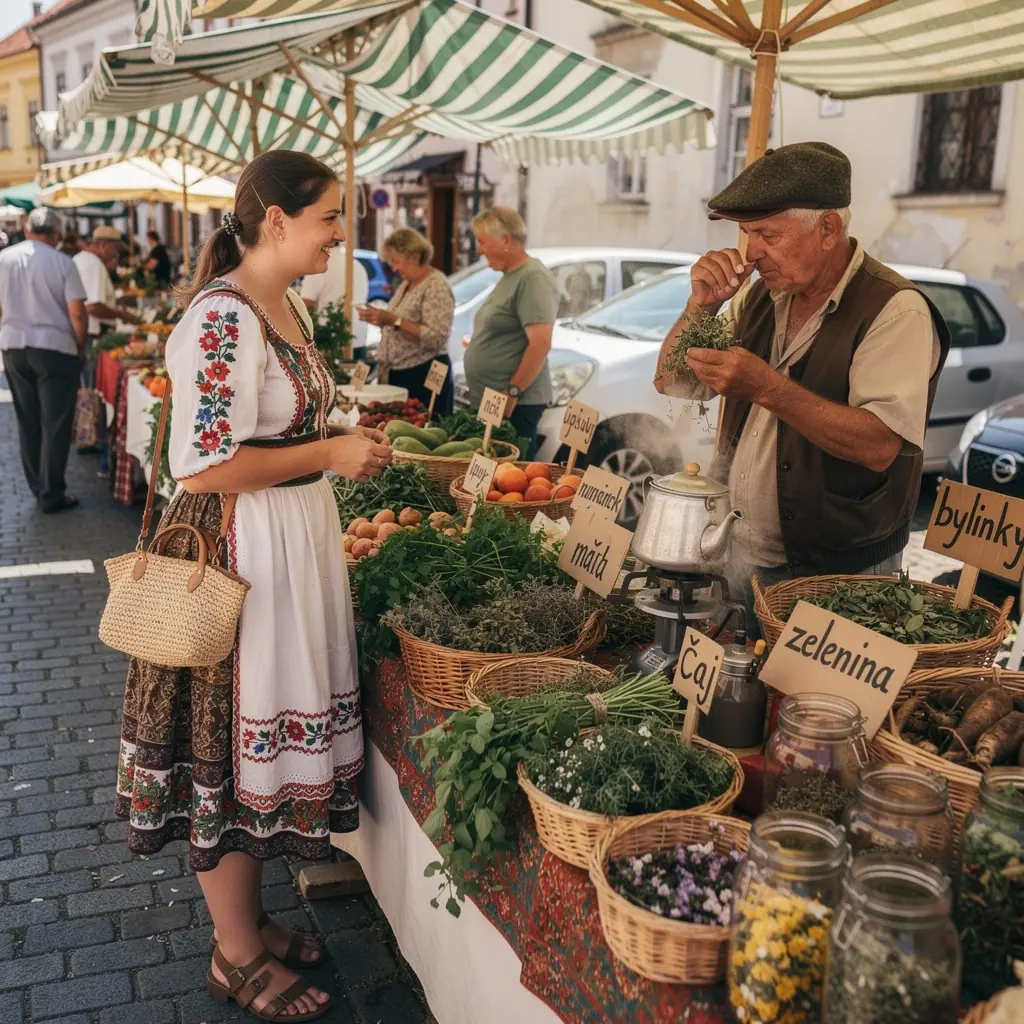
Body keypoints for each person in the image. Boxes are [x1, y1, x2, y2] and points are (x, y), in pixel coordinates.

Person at [113, 150, 392, 1022]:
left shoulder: (288, 305)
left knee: (250, 753)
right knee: (227, 755)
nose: (341, 232)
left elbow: (277, 422)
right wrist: (331, 453)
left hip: (290, 541)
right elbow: (204, 464)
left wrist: (342, 431)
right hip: (240, 555)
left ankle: (252, 923)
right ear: (276, 218)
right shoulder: (222, 320)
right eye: (330, 217)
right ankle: (234, 956)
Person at [654, 142, 951, 637]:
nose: (751, 252)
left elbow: (879, 445)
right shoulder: (758, 297)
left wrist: (769, 387)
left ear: (828, 230)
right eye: (747, 233)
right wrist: (699, 307)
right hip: (741, 557)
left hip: (841, 574)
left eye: (769, 234)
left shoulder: (895, 310)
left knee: (816, 711)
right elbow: (672, 381)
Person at [0, 207, 89, 512]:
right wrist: (80, 346)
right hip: (55, 348)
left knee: (28, 421)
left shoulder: (4, 259)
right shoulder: (62, 262)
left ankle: (39, 488)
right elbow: (77, 312)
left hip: (13, 347)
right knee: (56, 422)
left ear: (27, 231)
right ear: (55, 235)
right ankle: (51, 493)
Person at [463, 206, 556, 458]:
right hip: (495, 402)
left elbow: (540, 343)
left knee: (511, 483)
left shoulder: (533, 277)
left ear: (505, 239)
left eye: (482, 242)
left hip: (515, 405)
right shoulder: (510, 276)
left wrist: (513, 392)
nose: (479, 249)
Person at [358, 227, 454, 416]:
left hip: (422, 375)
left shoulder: (436, 286)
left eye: (396, 261)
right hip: (400, 375)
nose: (394, 268)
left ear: (414, 256)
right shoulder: (407, 283)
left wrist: (393, 320)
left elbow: (436, 337)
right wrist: (382, 320)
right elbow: (400, 324)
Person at [73, 225, 143, 364]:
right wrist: (121, 314)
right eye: (115, 249)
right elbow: (93, 307)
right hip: (92, 334)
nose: (115, 255)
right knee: (91, 378)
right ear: (104, 245)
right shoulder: (94, 264)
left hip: (81, 332)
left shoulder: (80, 258)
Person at [299, 240, 369, 356]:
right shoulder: (357, 265)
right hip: (359, 340)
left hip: (330, 344)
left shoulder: (319, 266)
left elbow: (305, 307)